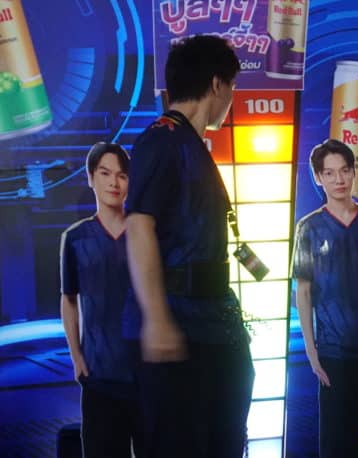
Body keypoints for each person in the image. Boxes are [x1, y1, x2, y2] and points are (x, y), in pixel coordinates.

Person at [124, 35, 254, 458]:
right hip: (179, 319)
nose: (232, 98)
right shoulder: (163, 139)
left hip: (211, 320)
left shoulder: (189, 143)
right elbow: (139, 226)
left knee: (223, 436)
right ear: (217, 84)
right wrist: (157, 319)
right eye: (233, 87)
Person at [291, 139, 358, 458]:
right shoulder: (309, 228)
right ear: (318, 177)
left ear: (354, 173)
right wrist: (312, 351)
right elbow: (303, 291)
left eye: (345, 171)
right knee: (337, 445)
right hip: (334, 352)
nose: (339, 179)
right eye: (330, 173)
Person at [60, 142, 142, 457]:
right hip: (99, 374)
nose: (114, 183)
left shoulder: (145, 234)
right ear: (91, 178)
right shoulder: (76, 238)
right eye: (105, 174)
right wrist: (77, 357)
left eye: (122, 175)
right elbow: (69, 299)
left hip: (145, 373)